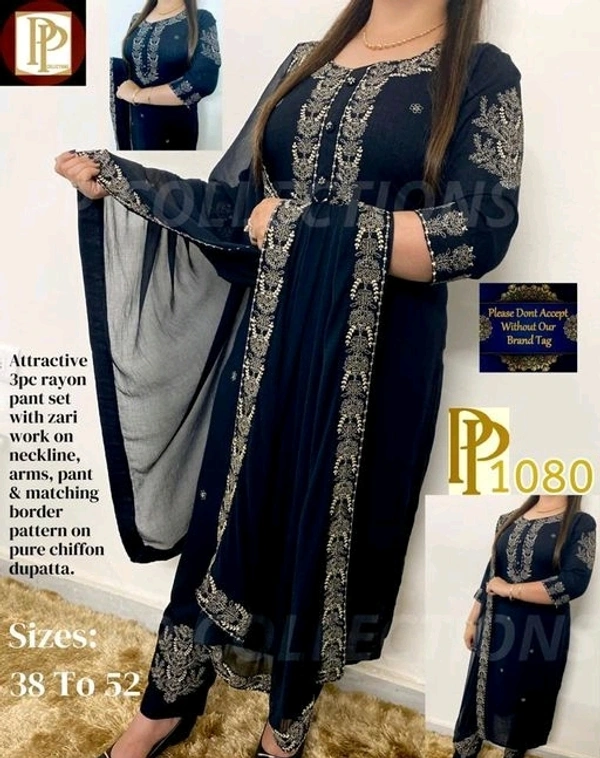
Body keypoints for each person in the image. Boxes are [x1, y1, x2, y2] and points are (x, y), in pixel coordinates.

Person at [54, 0, 524, 755]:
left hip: (378, 357)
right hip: (269, 340)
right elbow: (246, 210)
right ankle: (165, 704)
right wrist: (127, 181)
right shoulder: (310, 58)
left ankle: (285, 724)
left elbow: (479, 230)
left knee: (326, 533)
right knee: (223, 513)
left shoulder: (478, 73)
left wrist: (307, 228)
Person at [453, 496, 596, 758]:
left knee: (524, 697)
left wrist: (510, 589)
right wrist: (472, 619)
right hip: (495, 624)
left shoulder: (579, 523)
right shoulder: (507, 519)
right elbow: (491, 574)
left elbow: (574, 582)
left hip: (541, 630)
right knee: (481, 691)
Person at [111, 0, 221, 150]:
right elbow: (129, 69)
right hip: (137, 124)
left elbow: (203, 81)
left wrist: (137, 95)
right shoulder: (137, 20)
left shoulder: (200, 19)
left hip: (175, 127)